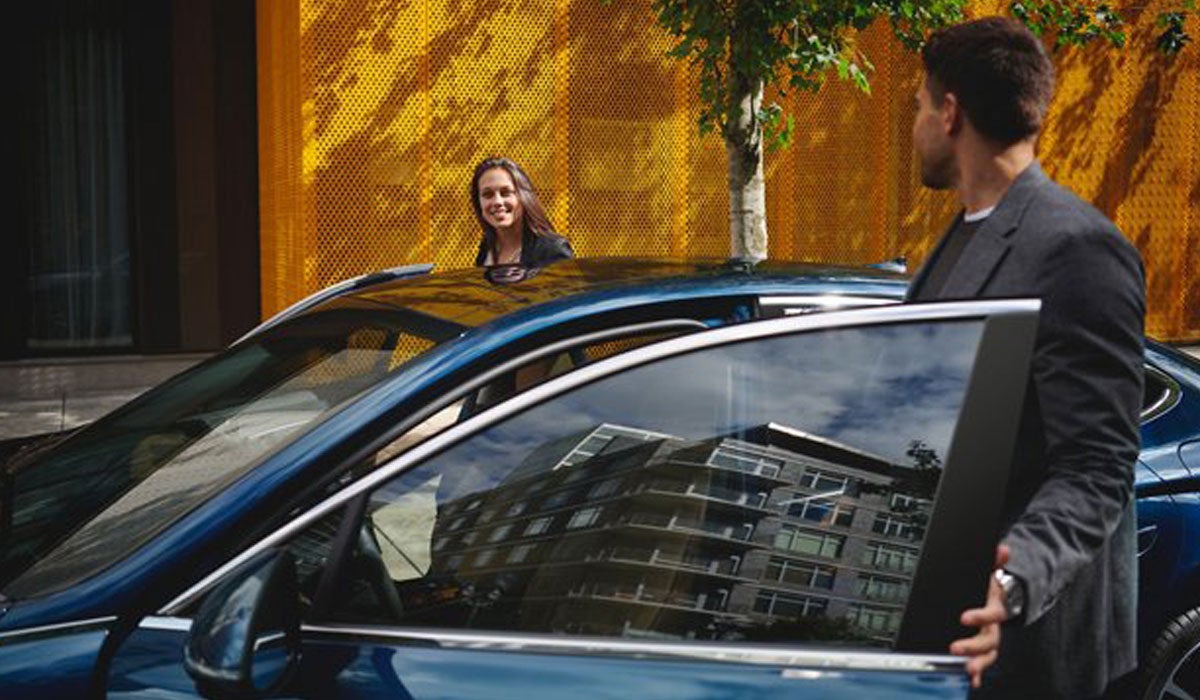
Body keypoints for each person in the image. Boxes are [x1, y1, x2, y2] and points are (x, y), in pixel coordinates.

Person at [907, 17, 1145, 699]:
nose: (915, 125)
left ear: (950, 113)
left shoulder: (1078, 248)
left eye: (920, 107)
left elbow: (1098, 464)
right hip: (946, 636)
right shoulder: (948, 245)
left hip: (1031, 648)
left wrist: (1009, 583)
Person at [469, 157, 573, 267]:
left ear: (524, 197)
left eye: (506, 193)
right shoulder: (487, 248)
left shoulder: (551, 250)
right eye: (487, 195)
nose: (497, 202)